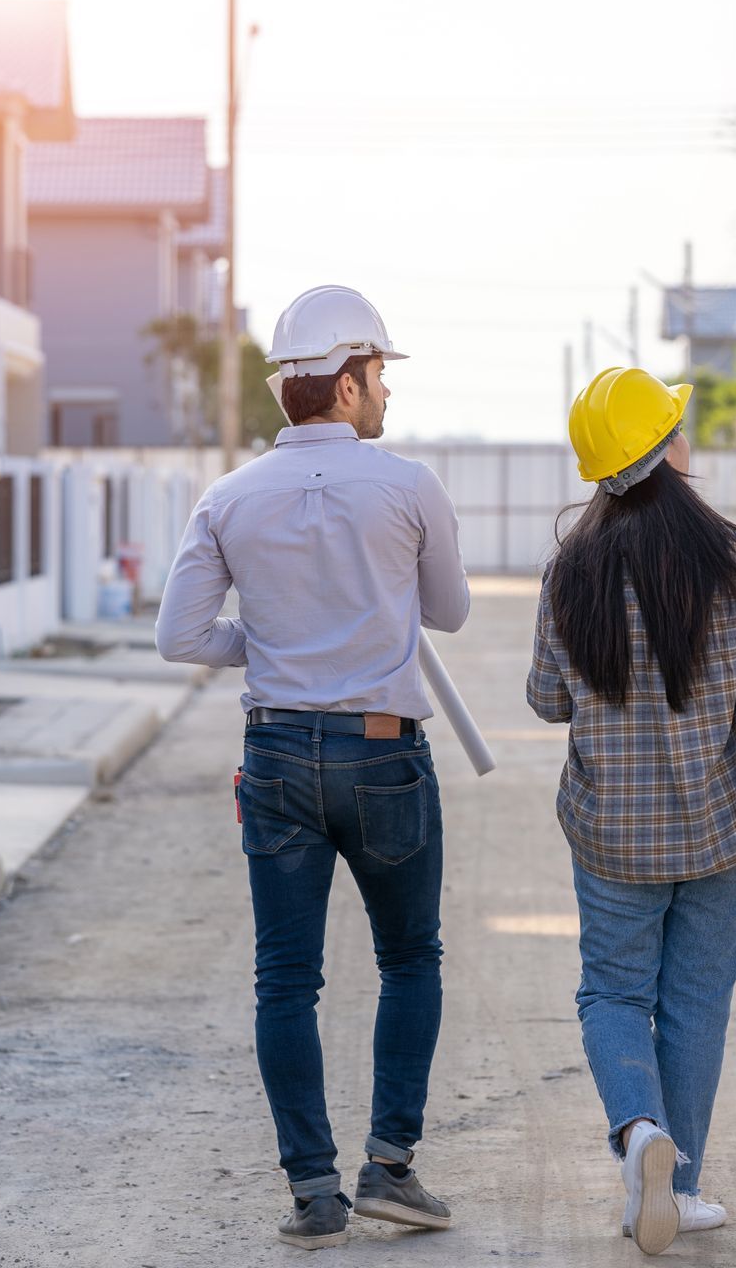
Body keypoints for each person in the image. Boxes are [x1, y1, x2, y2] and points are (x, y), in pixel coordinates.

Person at [155, 285, 471, 1252]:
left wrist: (266, 641)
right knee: (409, 958)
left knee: (285, 981)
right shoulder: (409, 486)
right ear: (343, 380)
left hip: (279, 753)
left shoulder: (229, 498)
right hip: (383, 753)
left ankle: (315, 1196)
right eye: (378, 375)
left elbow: (179, 637)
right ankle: (390, 1166)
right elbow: (448, 613)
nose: (386, 395)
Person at [526, 367, 736, 1256]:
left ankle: (640, 1132)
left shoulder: (570, 575)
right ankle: (675, 1190)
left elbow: (547, 702)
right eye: (679, 426)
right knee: (695, 1004)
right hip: (726, 823)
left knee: (612, 990)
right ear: (666, 451)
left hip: (613, 832)